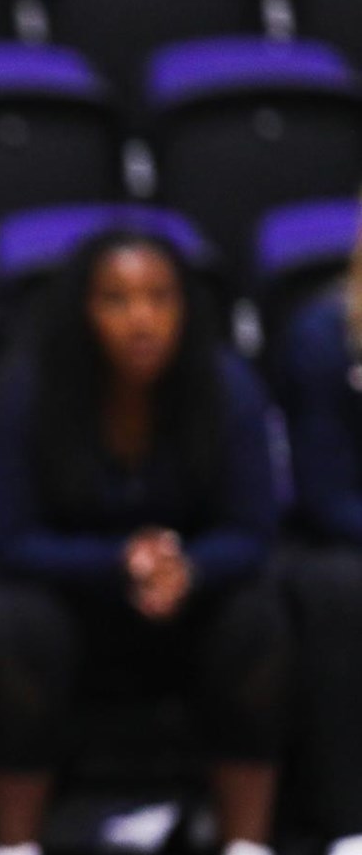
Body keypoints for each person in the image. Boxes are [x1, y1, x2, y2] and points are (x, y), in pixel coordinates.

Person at [0, 230, 290, 855]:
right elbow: (4, 538)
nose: (142, 318)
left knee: (259, 616)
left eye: (159, 297)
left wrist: (185, 568)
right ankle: (12, 844)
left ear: (185, 307)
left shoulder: (227, 387)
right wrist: (120, 562)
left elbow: (254, 530)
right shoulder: (30, 390)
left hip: (187, 597)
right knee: (13, 624)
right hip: (62, 594)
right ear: (82, 309)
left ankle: (247, 843)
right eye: (117, 299)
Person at [275, 218, 362, 855]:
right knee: (340, 590)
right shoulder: (325, 336)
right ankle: (349, 818)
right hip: (341, 534)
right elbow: (326, 494)